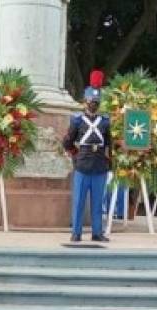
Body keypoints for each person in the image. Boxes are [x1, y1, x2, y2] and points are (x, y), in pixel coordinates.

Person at [63, 70, 111, 243]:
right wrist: (76, 155)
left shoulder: (105, 121)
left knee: (98, 202)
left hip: (99, 165)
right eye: (91, 101)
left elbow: (108, 143)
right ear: (85, 101)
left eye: (96, 102)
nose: (94, 104)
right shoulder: (77, 120)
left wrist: (108, 163)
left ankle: (97, 232)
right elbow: (67, 142)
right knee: (79, 202)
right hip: (82, 165)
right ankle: (76, 233)